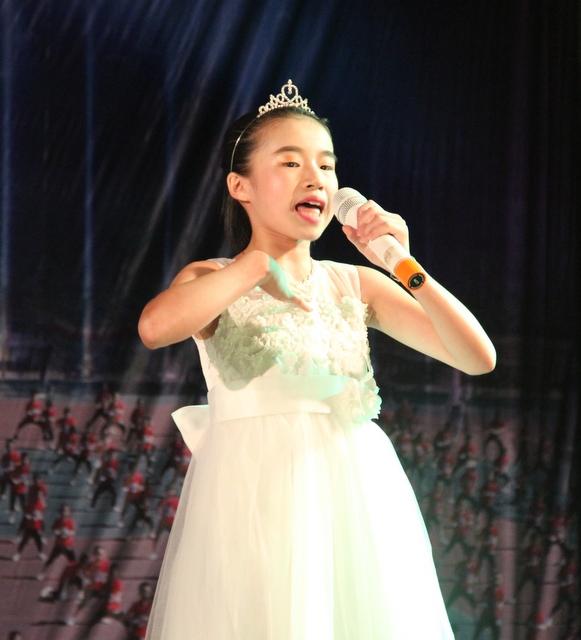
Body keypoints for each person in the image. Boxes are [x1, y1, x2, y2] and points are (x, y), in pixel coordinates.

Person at [138, 80, 496, 639]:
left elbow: (477, 358)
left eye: (326, 165)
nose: (315, 178)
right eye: (290, 162)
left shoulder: (355, 283)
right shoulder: (214, 277)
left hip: (353, 504)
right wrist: (256, 265)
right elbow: (155, 328)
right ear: (240, 186)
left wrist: (403, 265)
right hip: (253, 505)